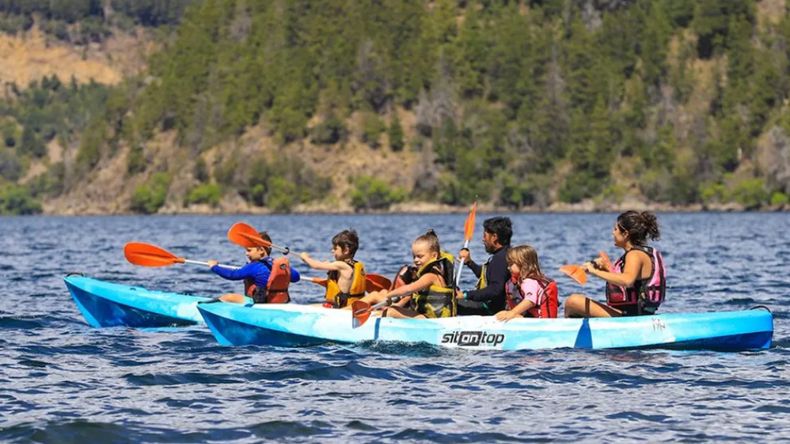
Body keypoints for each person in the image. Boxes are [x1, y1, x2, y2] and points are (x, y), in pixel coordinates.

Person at [564, 211, 666, 318]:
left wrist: (594, 271)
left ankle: (566, 333)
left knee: (573, 302)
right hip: (635, 313)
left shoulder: (634, 255)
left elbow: (627, 280)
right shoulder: (640, 253)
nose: (613, 233)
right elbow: (629, 283)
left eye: (615, 229)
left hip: (633, 317)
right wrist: (606, 269)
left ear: (625, 234)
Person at [355, 229, 455, 319]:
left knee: (392, 311)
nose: (416, 260)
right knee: (393, 308)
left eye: (420, 256)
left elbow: (408, 289)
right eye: (414, 256)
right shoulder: (432, 273)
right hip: (429, 317)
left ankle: (369, 318)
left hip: (433, 320)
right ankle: (372, 315)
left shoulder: (430, 276)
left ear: (434, 256)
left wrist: (389, 295)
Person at [208, 231, 301, 304]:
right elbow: (296, 277)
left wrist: (214, 267)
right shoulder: (280, 266)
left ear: (261, 250)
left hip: (258, 305)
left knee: (228, 297)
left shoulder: (254, 267)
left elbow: (232, 275)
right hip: (279, 303)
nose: (246, 253)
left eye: (249, 250)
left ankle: (205, 307)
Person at [456, 216, 512, 316]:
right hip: (492, 305)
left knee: (450, 304)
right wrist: (470, 262)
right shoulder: (504, 254)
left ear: (494, 237)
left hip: (492, 310)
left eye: (485, 235)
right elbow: (487, 276)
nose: (483, 239)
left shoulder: (500, 259)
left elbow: (495, 289)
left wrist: (465, 295)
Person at [300, 229, 367, 308]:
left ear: (345, 250)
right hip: (348, 306)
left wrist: (305, 257)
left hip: (341, 309)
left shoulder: (341, 265)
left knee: (308, 308)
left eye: (335, 249)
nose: (332, 251)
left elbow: (316, 266)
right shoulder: (354, 265)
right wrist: (328, 265)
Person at [495, 245, 558, 321]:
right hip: (530, 317)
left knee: (511, 314)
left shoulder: (530, 282)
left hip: (543, 321)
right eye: (508, 264)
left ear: (524, 264)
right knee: (503, 313)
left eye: (511, 264)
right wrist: (510, 313)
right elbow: (512, 303)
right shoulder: (510, 283)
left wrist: (512, 313)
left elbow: (530, 301)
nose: (508, 268)